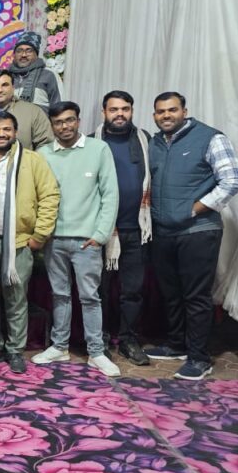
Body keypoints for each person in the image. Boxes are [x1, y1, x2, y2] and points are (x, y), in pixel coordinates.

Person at [144, 92, 238, 380]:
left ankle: (199, 358)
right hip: (164, 231)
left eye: (172, 110)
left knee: (196, 296)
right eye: (161, 111)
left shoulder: (210, 138)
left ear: (184, 111)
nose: (166, 115)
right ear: (154, 115)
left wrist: (194, 208)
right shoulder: (155, 143)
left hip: (198, 231)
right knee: (171, 293)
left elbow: (232, 180)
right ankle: (177, 345)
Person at [31, 102, 120, 377]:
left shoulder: (98, 149)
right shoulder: (43, 154)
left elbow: (110, 194)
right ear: (52, 126)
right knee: (59, 295)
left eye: (70, 120)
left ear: (78, 121)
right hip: (54, 239)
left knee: (90, 297)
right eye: (58, 122)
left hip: (86, 241)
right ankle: (59, 346)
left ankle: (96, 352)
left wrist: (100, 235)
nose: (65, 126)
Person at [0, 112, 59, 373]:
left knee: (16, 299)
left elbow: (50, 195)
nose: (1, 134)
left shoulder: (31, 160)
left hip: (18, 242)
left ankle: (15, 350)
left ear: (15, 132)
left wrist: (40, 235)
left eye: (6, 129)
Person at [89, 90, 152, 366]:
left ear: (132, 111)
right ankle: (100, 338)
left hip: (137, 228)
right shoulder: (90, 142)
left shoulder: (145, 140)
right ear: (104, 112)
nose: (119, 114)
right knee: (99, 289)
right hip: (100, 230)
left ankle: (128, 340)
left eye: (125, 109)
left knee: (133, 290)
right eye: (114, 109)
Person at [8, 31, 64, 112]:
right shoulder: (7, 76)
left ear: (36, 54)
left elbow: (59, 107)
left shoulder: (48, 74)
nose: (23, 55)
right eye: (19, 51)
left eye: (29, 51)